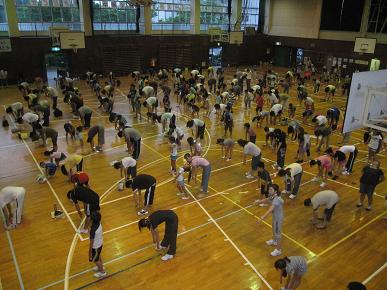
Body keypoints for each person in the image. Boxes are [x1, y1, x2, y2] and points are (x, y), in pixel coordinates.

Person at [255, 184, 284, 256]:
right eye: (269, 189)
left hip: (278, 218)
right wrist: (259, 201)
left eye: (271, 190)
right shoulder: (272, 196)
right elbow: (267, 199)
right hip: (275, 216)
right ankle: (274, 241)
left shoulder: (276, 199)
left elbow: (271, 208)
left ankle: (278, 250)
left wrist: (262, 217)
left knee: (278, 234)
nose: (269, 191)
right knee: (274, 230)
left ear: (275, 191)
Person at [89, 212, 106, 278]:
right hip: (100, 244)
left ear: (92, 220)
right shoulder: (99, 223)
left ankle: (102, 272)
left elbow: (91, 242)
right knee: (98, 256)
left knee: (95, 260)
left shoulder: (93, 230)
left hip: (95, 246)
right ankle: (101, 266)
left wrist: (90, 251)